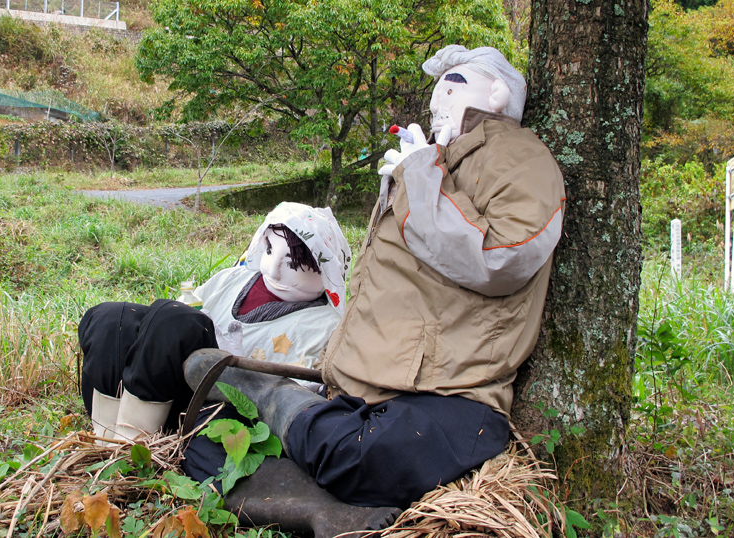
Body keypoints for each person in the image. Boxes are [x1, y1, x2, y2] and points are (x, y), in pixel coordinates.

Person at [184, 44, 566, 526]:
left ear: (497, 93)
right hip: (368, 385)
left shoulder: (518, 156)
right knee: (203, 440)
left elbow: (500, 258)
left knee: (359, 457)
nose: (440, 96)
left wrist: (422, 175)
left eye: (457, 84)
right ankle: (323, 505)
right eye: (438, 88)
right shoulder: (433, 159)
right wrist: (423, 169)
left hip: (452, 395)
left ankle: (273, 399)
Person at [78, 202, 350, 443]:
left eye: (291, 263)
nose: (273, 267)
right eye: (269, 250)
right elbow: (172, 320)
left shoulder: (326, 326)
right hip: (163, 381)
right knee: (113, 319)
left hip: (213, 406)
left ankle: (133, 444)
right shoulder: (232, 278)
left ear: (324, 269)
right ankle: (107, 437)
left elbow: (294, 396)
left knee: (176, 320)